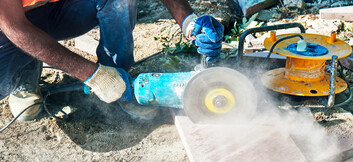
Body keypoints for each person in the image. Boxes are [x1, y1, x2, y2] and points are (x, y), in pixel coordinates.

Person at [0, 0, 224, 121]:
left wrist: (188, 21)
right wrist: (92, 75)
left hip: (58, 7)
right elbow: (15, 27)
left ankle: (119, 79)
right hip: (8, 26)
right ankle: (23, 76)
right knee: (5, 76)